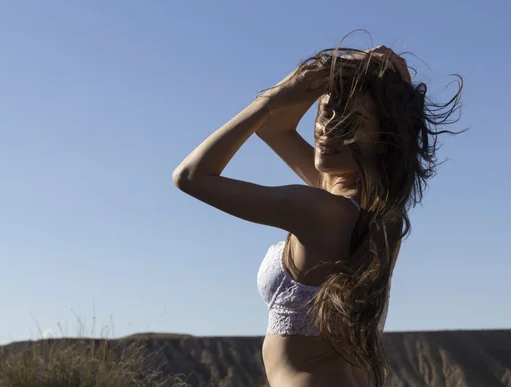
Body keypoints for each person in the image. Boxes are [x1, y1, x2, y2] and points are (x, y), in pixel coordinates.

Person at [172, 43, 462, 387]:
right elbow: (273, 129)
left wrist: (272, 98)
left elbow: (191, 176)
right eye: (326, 112)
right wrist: (345, 66)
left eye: (351, 122)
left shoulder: (320, 211)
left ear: (381, 139)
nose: (329, 129)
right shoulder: (376, 211)